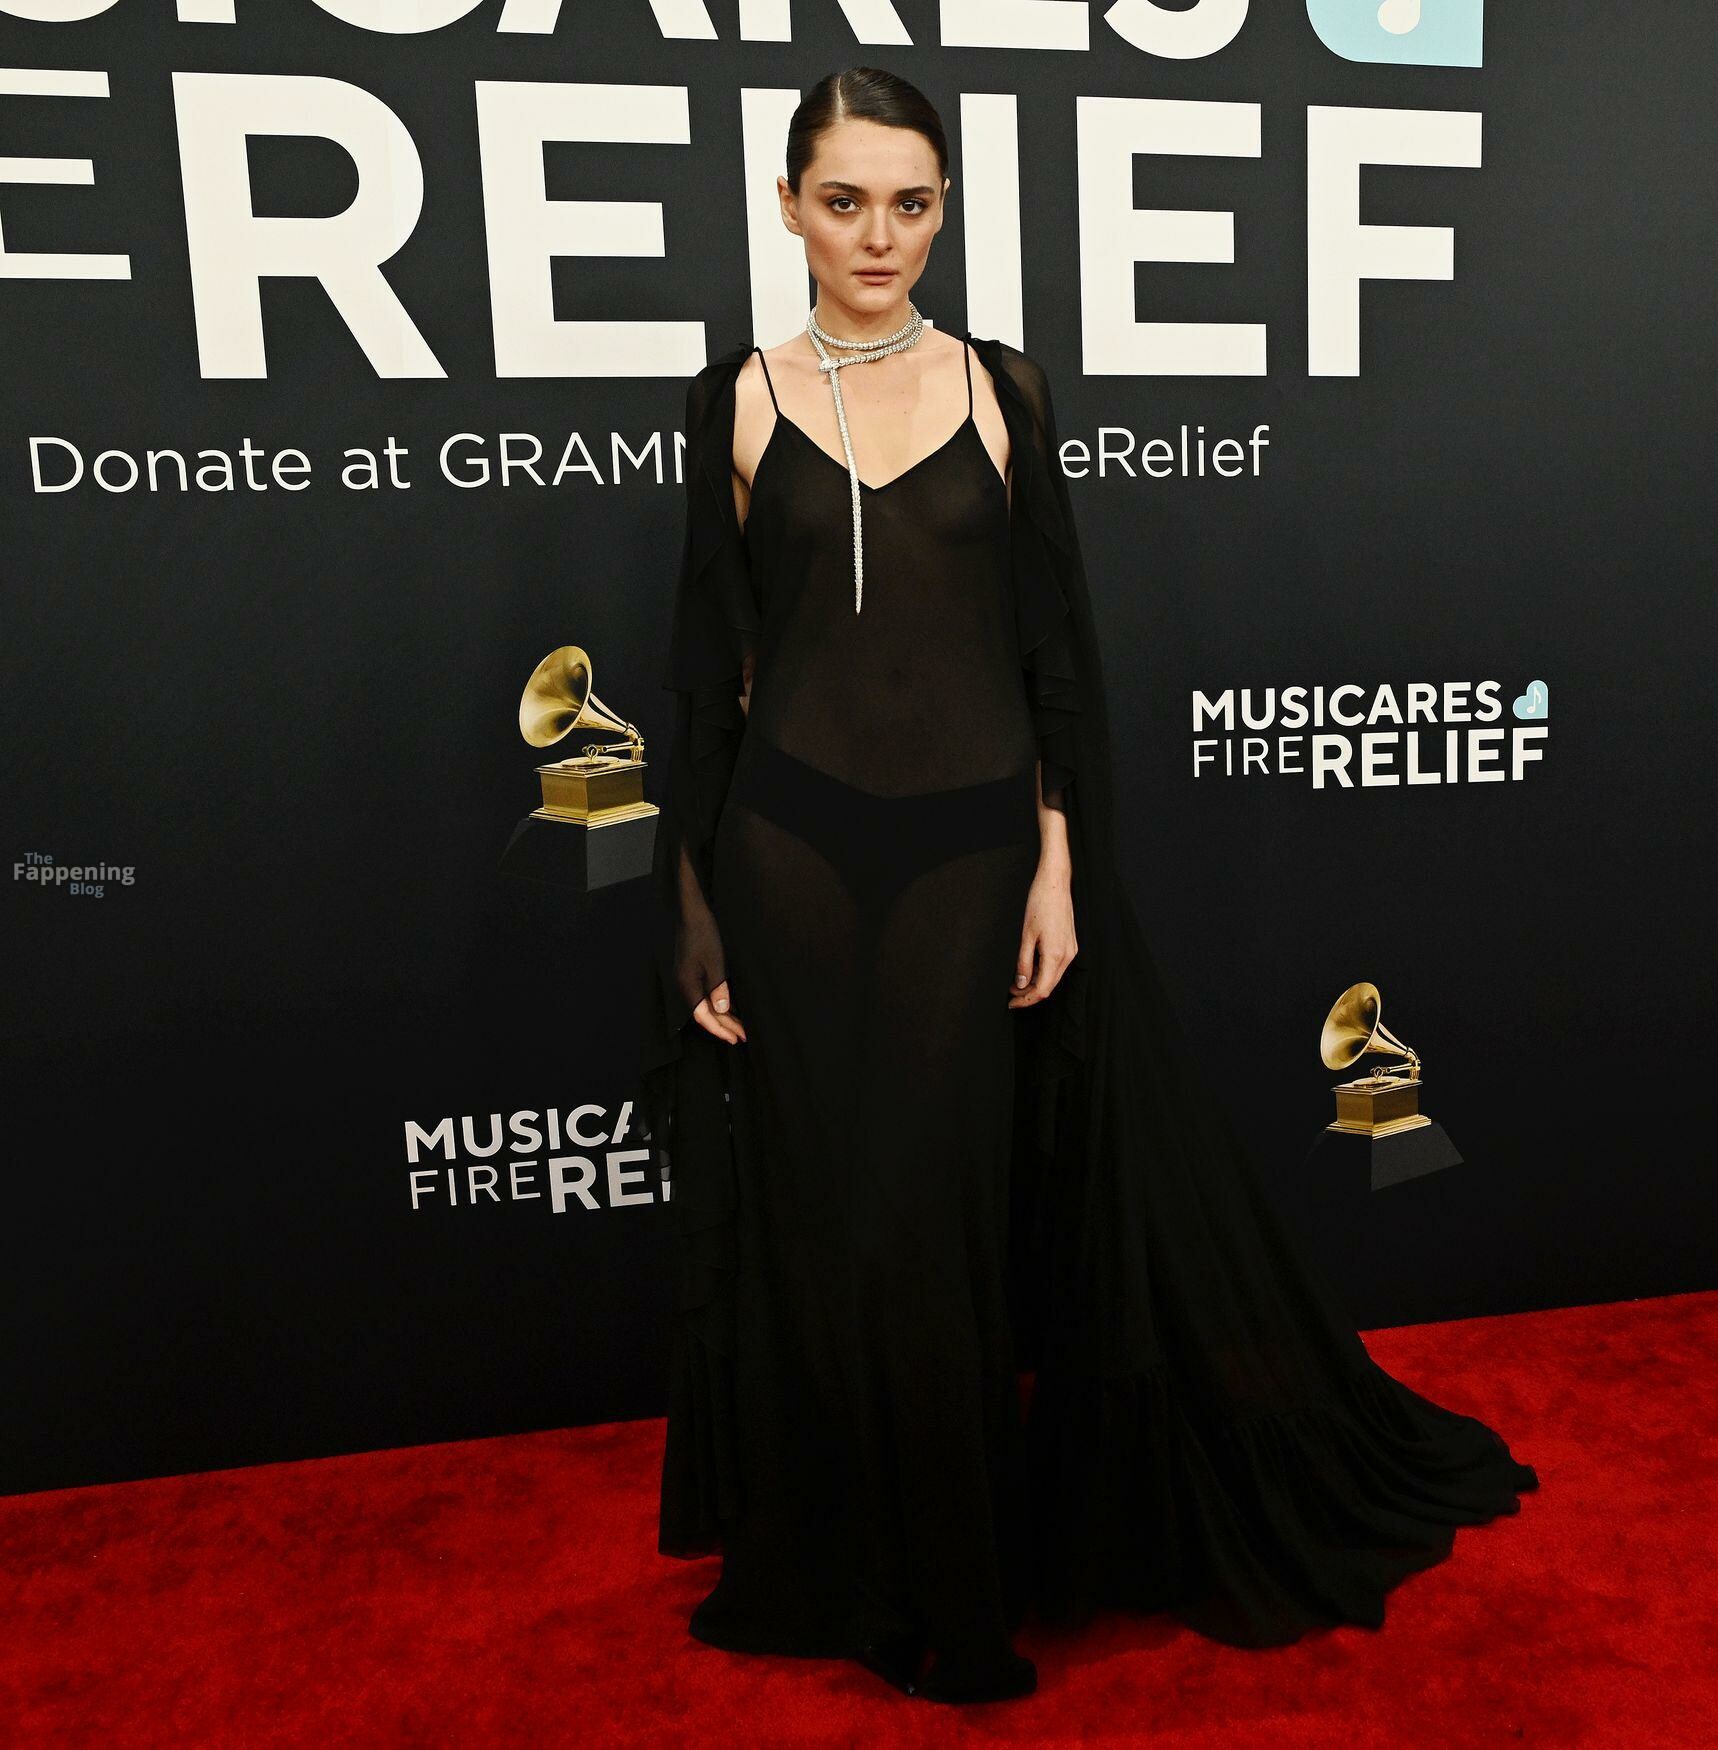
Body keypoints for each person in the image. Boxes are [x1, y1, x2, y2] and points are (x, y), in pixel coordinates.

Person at [637, 65, 1539, 1707]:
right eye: (845, 200)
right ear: (787, 207)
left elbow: (1050, 652)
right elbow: (713, 671)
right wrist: (692, 897)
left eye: (912, 202)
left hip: (972, 843)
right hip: (787, 849)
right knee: (834, 1224)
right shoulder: (735, 402)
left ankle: (960, 1590)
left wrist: (1058, 857)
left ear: (944, 210)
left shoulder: (1003, 389)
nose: (879, 235)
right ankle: (852, 1566)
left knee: (931, 1214)